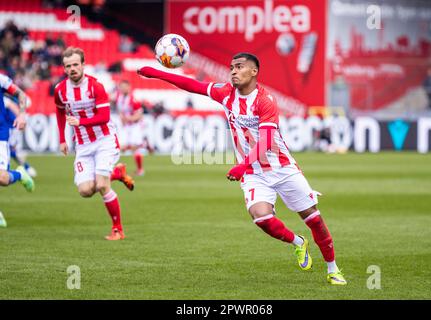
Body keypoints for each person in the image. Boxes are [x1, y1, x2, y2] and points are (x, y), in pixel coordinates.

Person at [137, 53, 347, 285]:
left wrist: (242, 165)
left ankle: (332, 269)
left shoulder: (265, 100)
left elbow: (266, 140)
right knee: (261, 217)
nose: (233, 71)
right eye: (231, 68)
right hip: (254, 173)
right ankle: (298, 243)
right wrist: (155, 73)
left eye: (239, 67)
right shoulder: (226, 93)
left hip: (282, 168)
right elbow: (193, 85)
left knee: (313, 219)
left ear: (254, 72)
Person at [54, 47, 134, 241]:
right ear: (64, 69)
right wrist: (62, 139)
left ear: (83, 65)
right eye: (68, 66)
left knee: (102, 185)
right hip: (83, 145)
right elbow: (59, 111)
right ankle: (118, 173)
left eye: (75, 64)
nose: (72, 68)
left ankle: (118, 230)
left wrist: (80, 122)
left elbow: (104, 116)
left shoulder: (95, 86)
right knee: (86, 190)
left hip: (104, 140)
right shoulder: (60, 90)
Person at [0, 72, 35, 194]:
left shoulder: (1, 79)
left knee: (2, 178)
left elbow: (21, 94)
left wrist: (21, 115)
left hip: (1, 134)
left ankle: (20, 174)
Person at [114, 79, 145, 176]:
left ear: (129, 87)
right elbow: (120, 111)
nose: (123, 89)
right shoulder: (119, 98)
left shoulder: (133, 100)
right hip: (125, 126)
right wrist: (122, 118)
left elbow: (139, 115)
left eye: (124, 87)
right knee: (120, 147)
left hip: (134, 126)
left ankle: (140, 170)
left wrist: (128, 119)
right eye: (121, 87)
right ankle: (115, 169)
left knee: (134, 148)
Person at [4, 96, 37, 177]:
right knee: (9, 151)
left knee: (9, 150)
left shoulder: (7, 97)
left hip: (11, 129)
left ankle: (25, 168)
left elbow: (27, 102)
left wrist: (21, 118)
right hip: (7, 128)